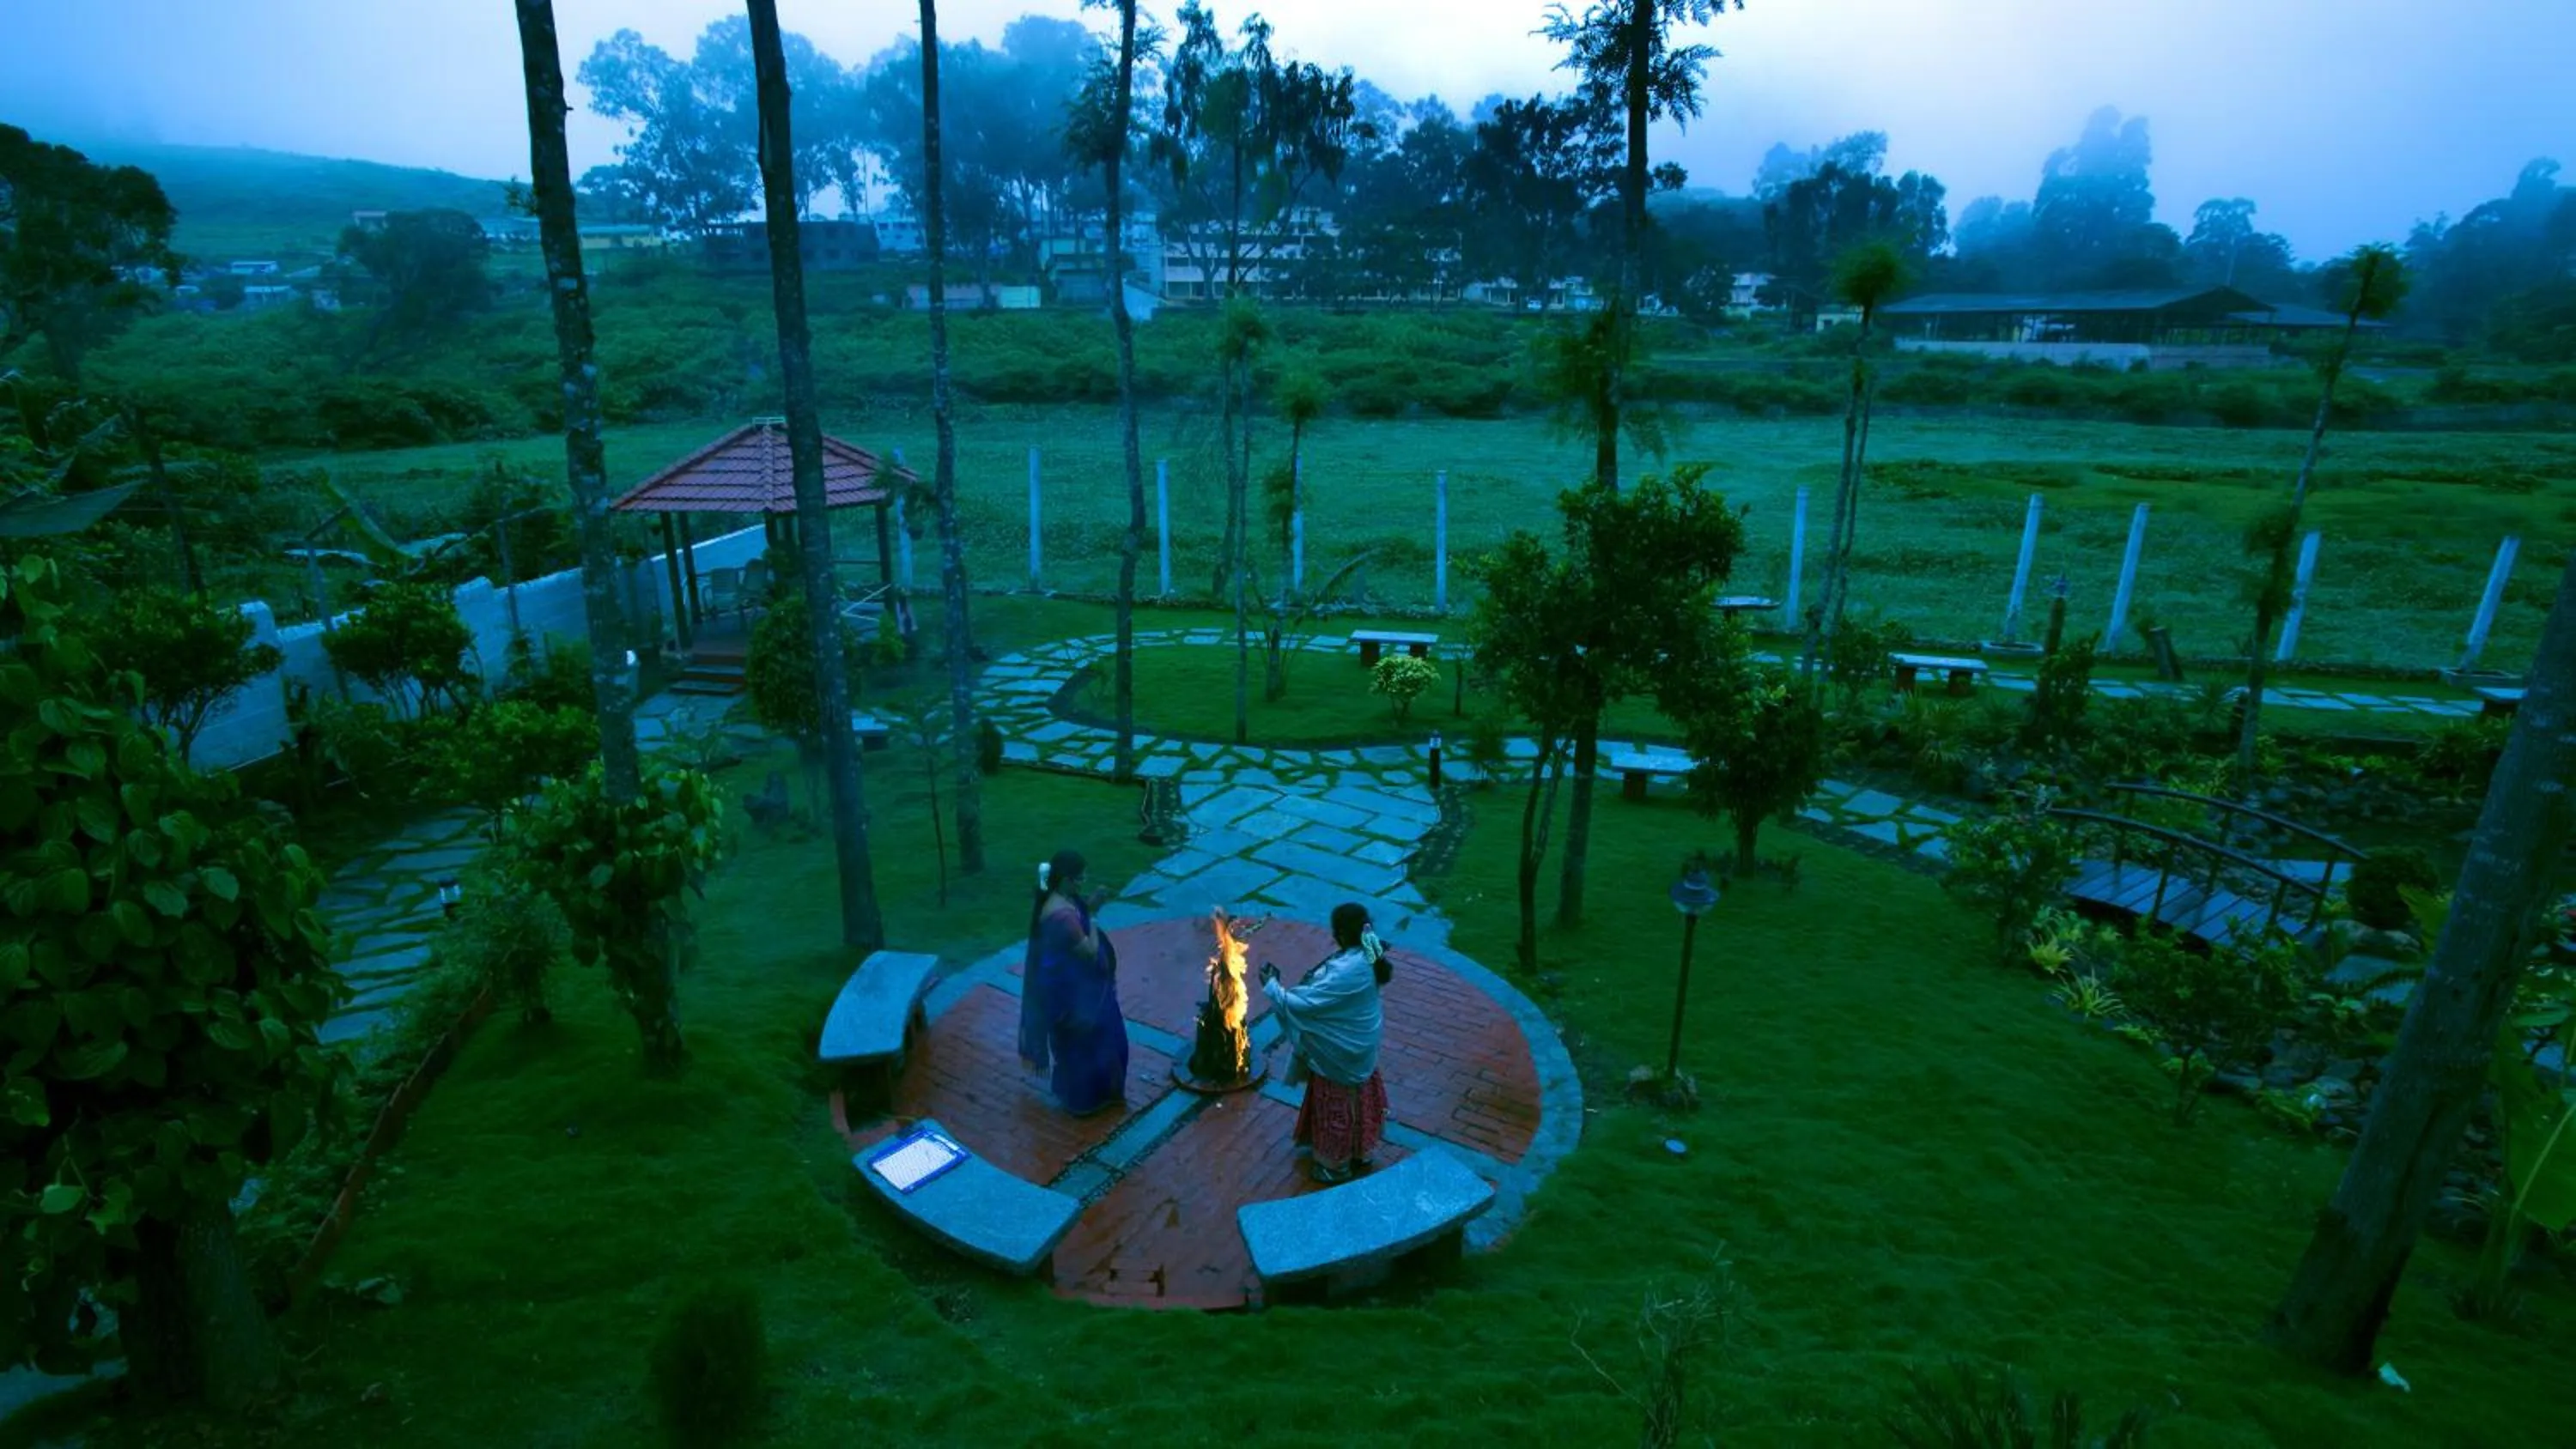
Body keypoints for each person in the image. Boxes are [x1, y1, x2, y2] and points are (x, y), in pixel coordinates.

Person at [1260, 903, 1392, 1184]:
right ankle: (1360, 1152)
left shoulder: (1350, 968)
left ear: (1342, 934)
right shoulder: (1368, 952)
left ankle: (1334, 1167)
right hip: (1361, 1047)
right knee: (1359, 1097)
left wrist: (1271, 985)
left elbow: (1302, 1005)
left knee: (1337, 1107)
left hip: (1341, 1055)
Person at [1018, 850, 1129, 1117]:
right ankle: (1085, 1102)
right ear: (1066, 879)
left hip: (1078, 989)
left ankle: (1091, 1097)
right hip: (1075, 996)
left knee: (1090, 1044)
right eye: (1079, 880)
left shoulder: (1061, 899)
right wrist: (1094, 916)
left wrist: (1092, 904)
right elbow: (1089, 950)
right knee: (1094, 1045)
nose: (1082, 884)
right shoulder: (1061, 916)